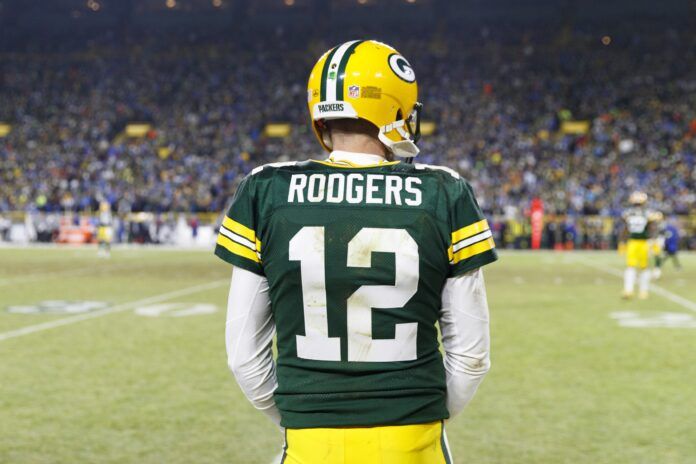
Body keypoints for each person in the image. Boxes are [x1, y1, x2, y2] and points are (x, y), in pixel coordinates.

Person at [215, 40, 497, 464]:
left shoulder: (266, 189)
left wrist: (308, 415)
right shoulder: (444, 191)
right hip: (412, 441)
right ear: (395, 109)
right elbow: (471, 356)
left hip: (311, 441)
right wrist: (418, 412)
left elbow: (243, 358)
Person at [622, 192, 660, 299]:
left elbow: (625, 229)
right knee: (640, 267)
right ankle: (638, 291)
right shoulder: (646, 213)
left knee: (634, 267)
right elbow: (652, 228)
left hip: (637, 242)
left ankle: (632, 290)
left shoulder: (629, 213)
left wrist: (622, 242)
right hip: (639, 242)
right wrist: (654, 240)